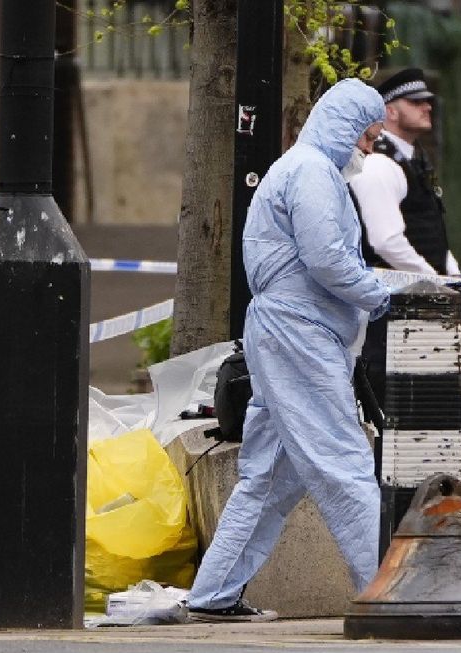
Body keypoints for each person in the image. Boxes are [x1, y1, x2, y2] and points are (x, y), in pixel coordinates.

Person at [186, 78, 390, 623]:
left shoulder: (302, 170)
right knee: (343, 461)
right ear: (345, 127)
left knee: (270, 477)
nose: (369, 149)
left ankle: (213, 594)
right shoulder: (313, 173)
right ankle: (389, 590)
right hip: (301, 335)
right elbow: (326, 259)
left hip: (287, 334)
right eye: (368, 136)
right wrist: (380, 297)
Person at [348, 67, 461, 408]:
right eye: (415, 102)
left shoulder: (414, 158)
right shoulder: (379, 163)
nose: (427, 107)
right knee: (396, 404)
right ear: (390, 112)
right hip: (393, 307)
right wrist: (435, 281)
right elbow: (385, 241)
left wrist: (451, 274)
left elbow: (430, 226)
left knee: (427, 405)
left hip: (419, 300)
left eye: (427, 101)